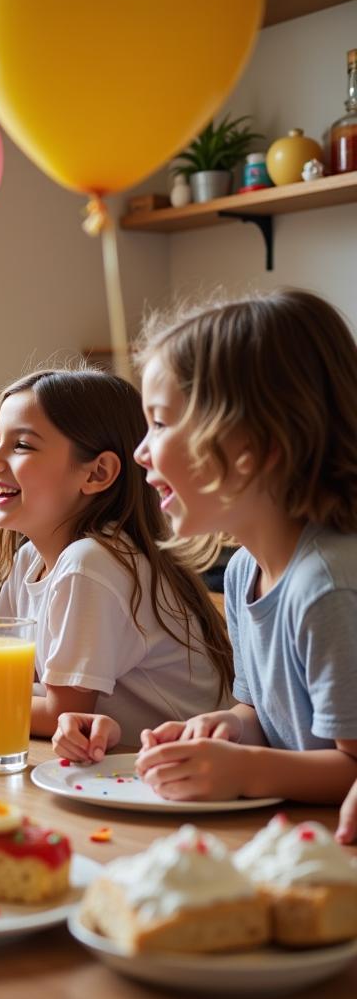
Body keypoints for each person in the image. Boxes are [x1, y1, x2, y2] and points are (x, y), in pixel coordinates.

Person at [0, 369, 232, 741]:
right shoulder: (29, 558)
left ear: (97, 473)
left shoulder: (91, 564)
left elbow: (64, 713)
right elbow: (13, 666)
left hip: (177, 771)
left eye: (22, 446)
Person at [129, 289, 357, 803]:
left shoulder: (327, 588)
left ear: (251, 447)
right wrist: (224, 732)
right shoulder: (242, 572)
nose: (142, 451)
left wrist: (246, 771)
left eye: (161, 423)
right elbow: (260, 714)